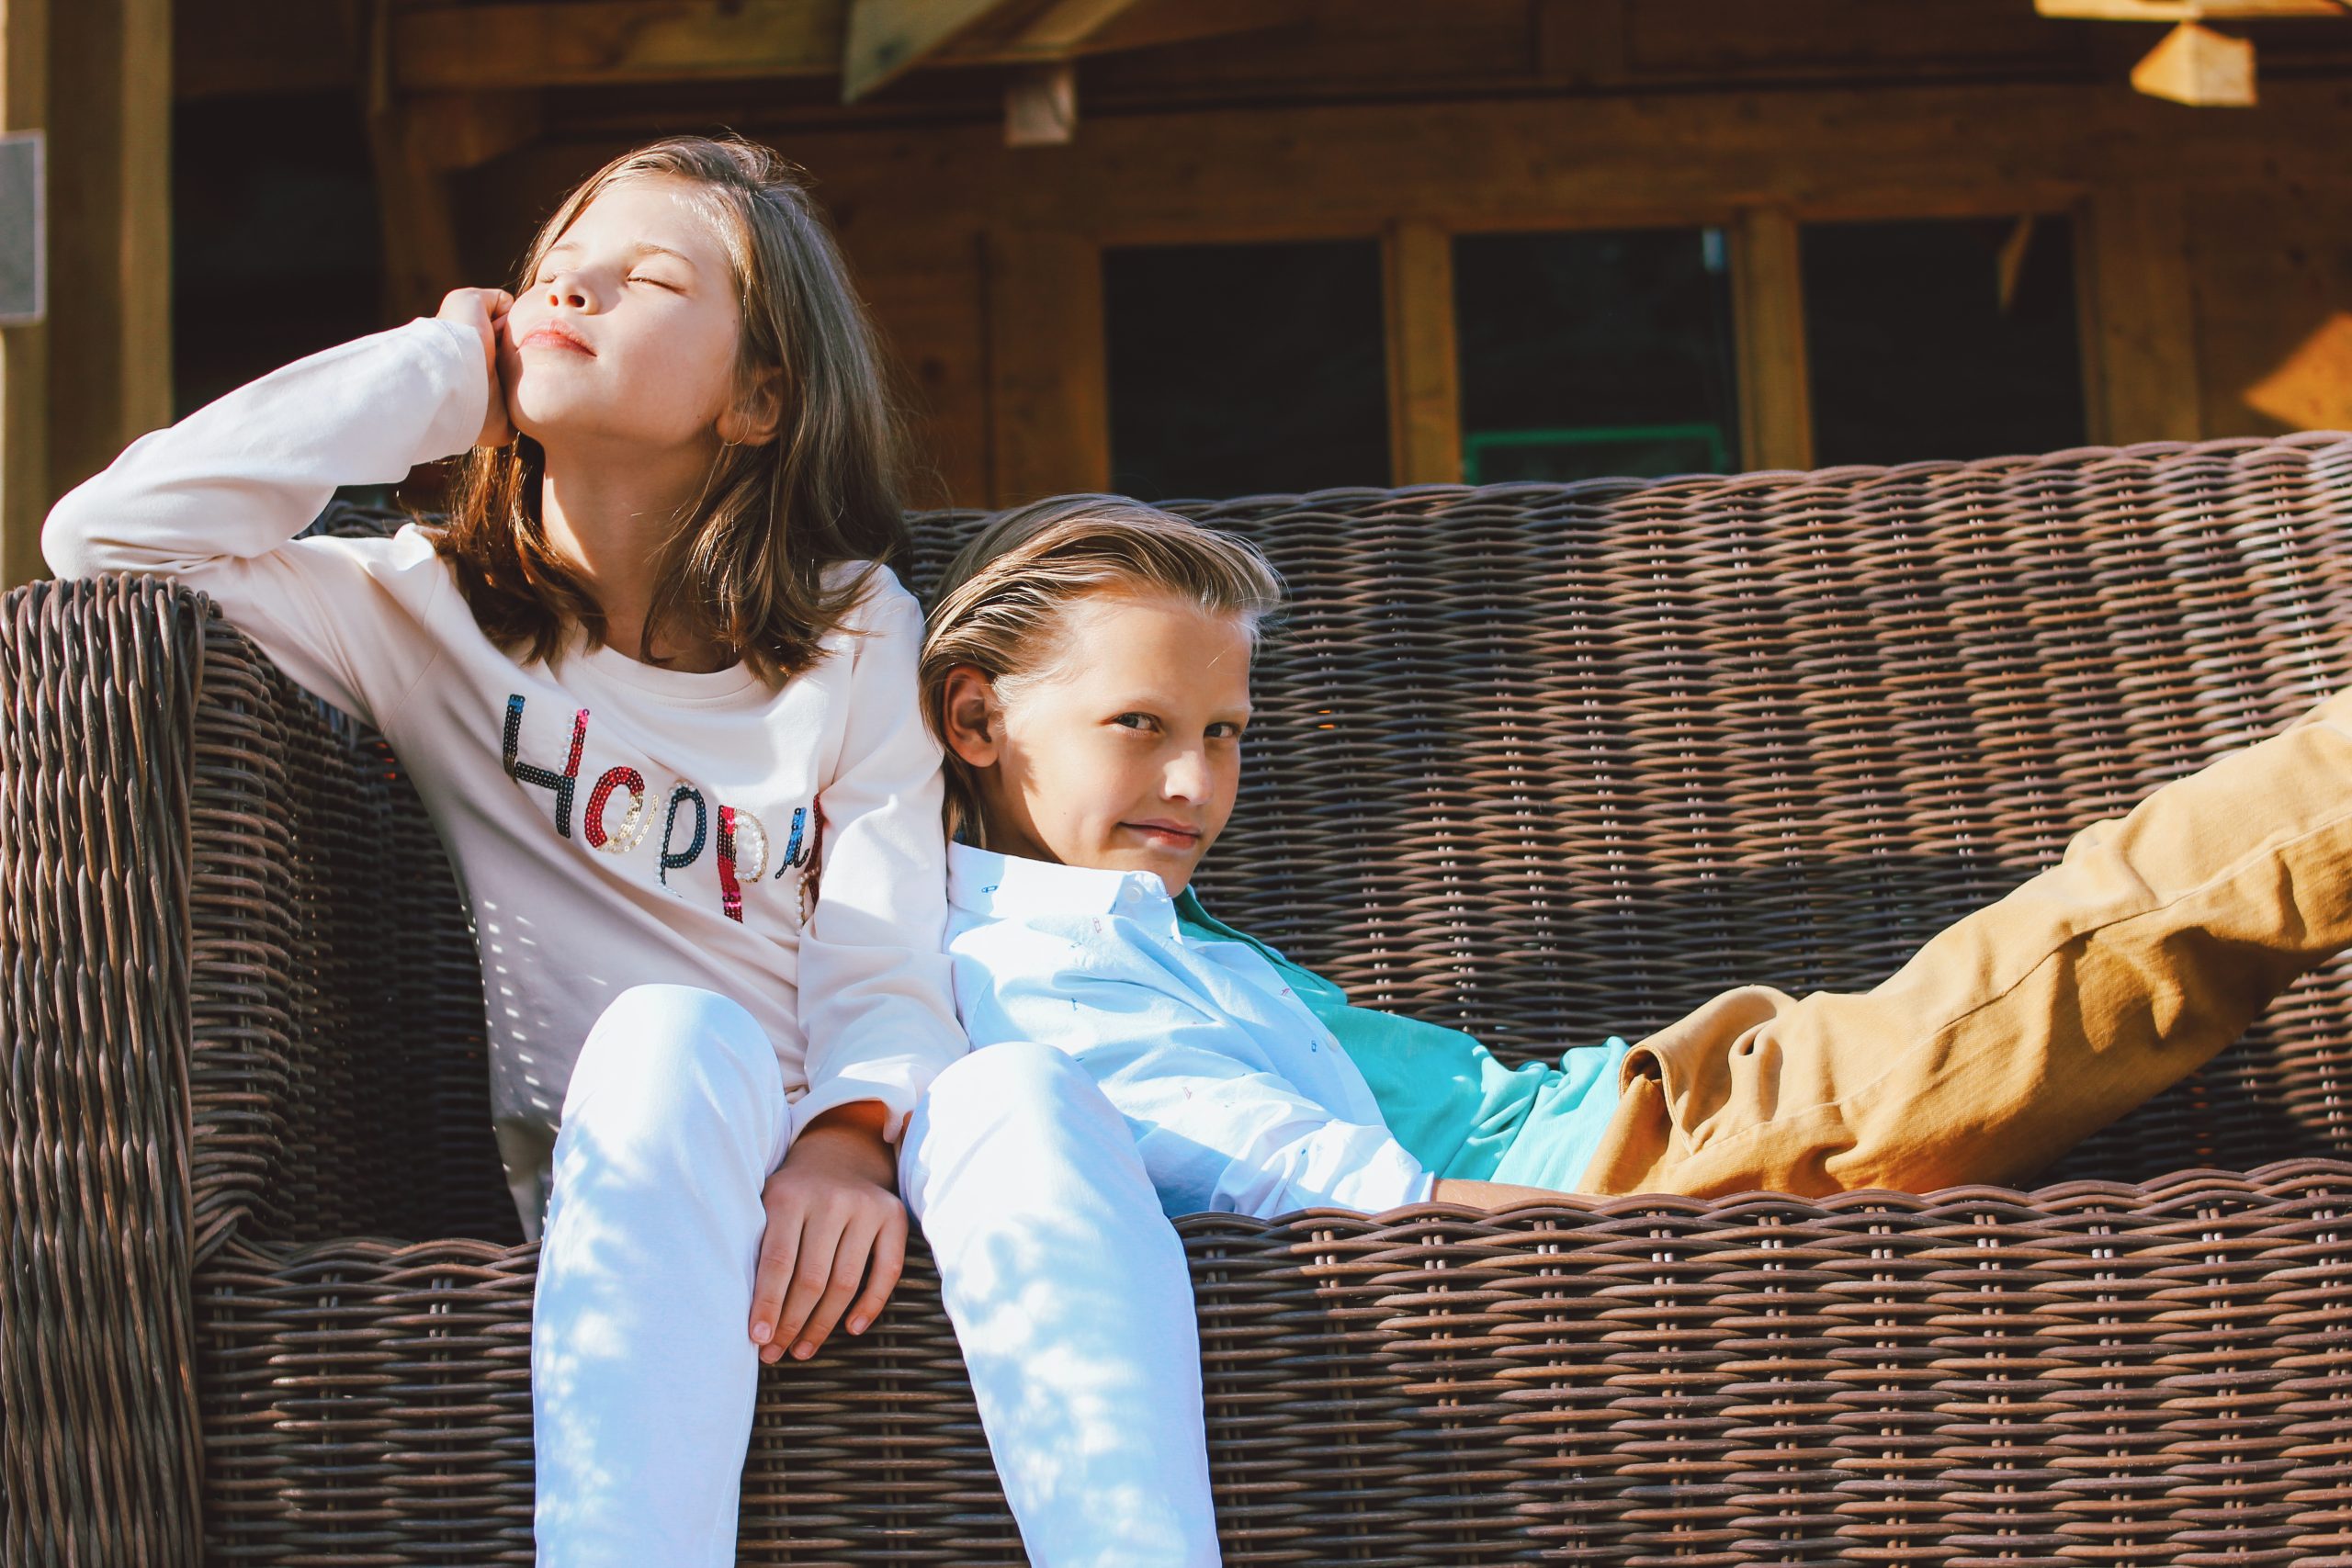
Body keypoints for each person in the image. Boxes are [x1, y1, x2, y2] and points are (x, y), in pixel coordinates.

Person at [47, 139, 1216, 1568]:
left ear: (759, 398)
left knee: (1023, 1093)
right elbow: (105, 536)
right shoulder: (420, 614)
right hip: (637, 1165)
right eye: (550, 274)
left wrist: (851, 1145)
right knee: (674, 1032)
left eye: (646, 277)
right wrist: (432, 376)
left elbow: (882, 938)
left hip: (873, 1171)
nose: (569, 292)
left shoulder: (856, 631)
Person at [923, 491, 2352, 1224]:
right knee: (2131, 926)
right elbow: (1306, 1180)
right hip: (1643, 1184)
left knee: (2109, 923)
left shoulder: (1149, 928)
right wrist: (1631, 1254)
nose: (1195, 780)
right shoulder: (1023, 969)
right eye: (1139, 726)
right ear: (977, 719)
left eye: (1225, 731)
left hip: (1655, 1101)